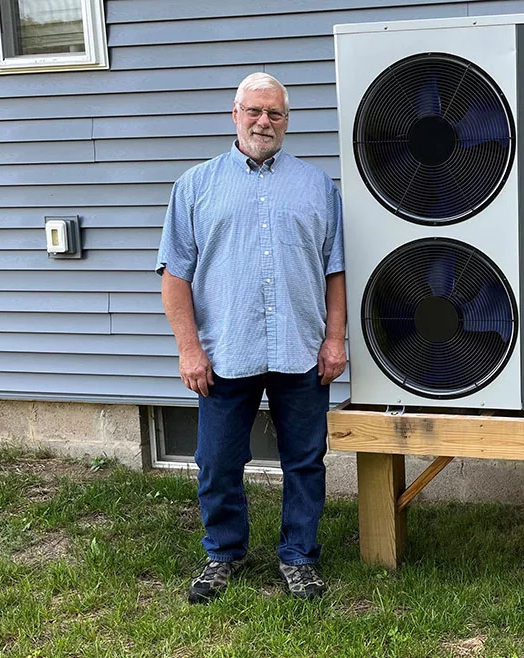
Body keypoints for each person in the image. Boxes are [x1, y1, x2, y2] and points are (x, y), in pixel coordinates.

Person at [156, 72, 346, 604]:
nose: (265, 121)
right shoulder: (194, 186)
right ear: (235, 114)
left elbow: (335, 270)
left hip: (301, 351)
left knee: (305, 461)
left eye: (276, 113)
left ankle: (299, 557)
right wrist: (189, 350)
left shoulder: (317, 187)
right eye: (255, 111)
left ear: (288, 121)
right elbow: (175, 277)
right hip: (225, 352)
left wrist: (336, 340)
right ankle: (223, 552)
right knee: (217, 461)